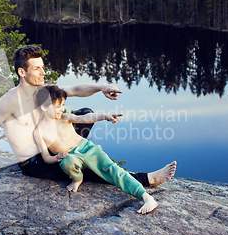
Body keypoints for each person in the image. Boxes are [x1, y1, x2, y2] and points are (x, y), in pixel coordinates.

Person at [0, 45, 176, 190]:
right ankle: (147, 180)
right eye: (37, 69)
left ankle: (79, 155)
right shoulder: (10, 100)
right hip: (35, 161)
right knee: (89, 169)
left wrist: (102, 86)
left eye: (43, 67)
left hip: (52, 145)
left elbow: (75, 88)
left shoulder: (43, 90)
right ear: (22, 72)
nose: (43, 72)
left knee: (85, 113)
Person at [34, 85, 175, 214]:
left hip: (86, 149)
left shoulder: (64, 118)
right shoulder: (39, 132)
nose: (62, 109)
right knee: (67, 163)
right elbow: (46, 157)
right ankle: (77, 179)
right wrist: (56, 157)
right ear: (44, 107)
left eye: (63, 105)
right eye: (57, 106)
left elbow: (86, 118)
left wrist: (105, 116)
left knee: (113, 170)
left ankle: (146, 197)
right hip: (71, 156)